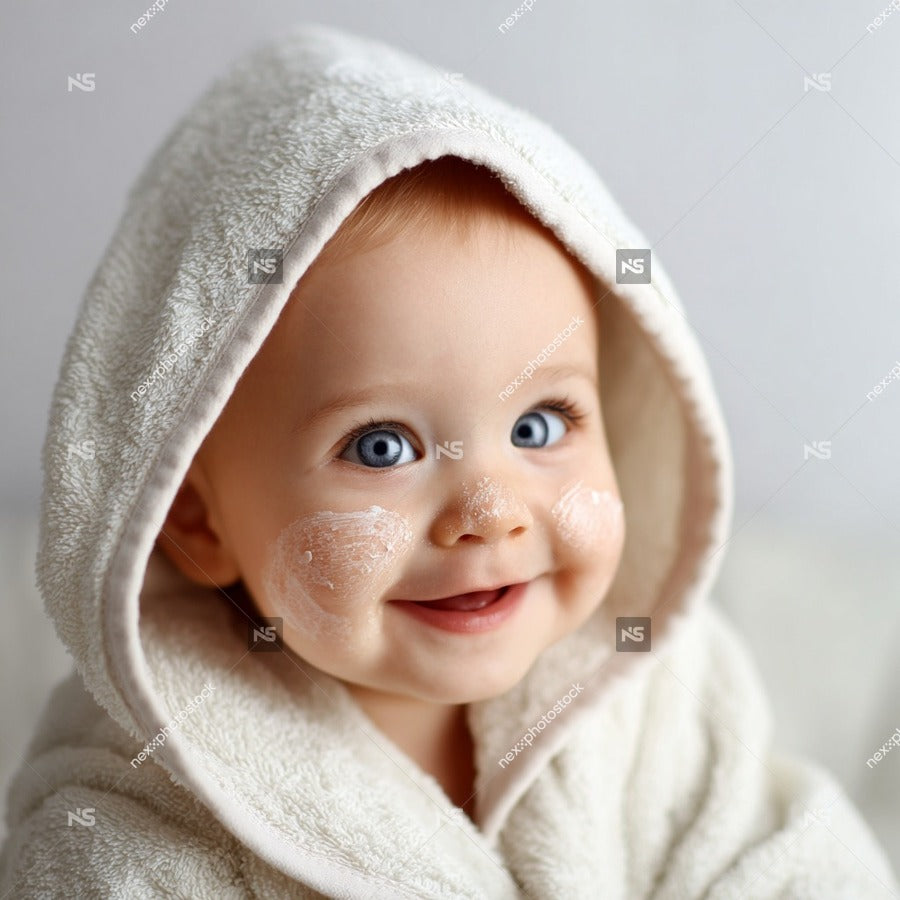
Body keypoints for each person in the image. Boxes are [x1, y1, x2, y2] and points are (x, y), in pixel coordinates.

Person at [1, 23, 897, 898]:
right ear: (196, 518)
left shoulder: (654, 688)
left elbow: (788, 860)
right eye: (382, 447)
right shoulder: (134, 803)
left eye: (539, 425)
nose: (490, 512)